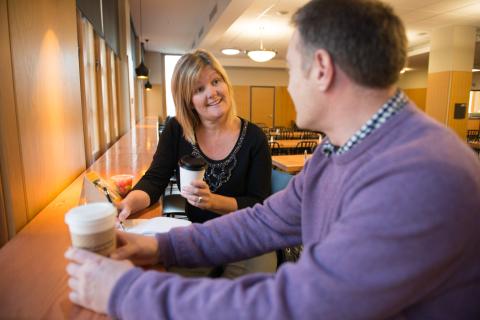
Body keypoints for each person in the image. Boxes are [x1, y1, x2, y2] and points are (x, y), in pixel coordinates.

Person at [66, 0, 480, 318]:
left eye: (289, 67)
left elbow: (300, 307)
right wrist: (157, 247)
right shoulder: (337, 150)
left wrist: (124, 292)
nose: (288, 82)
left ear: (321, 69)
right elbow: (263, 220)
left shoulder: (423, 176)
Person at [116, 49, 274, 277]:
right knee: (169, 287)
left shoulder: (254, 138)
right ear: (188, 102)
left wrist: (213, 202)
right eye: (199, 89)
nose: (212, 92)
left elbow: (259, 204)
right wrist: (128, 204)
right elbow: (154, 180)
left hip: (247, 236)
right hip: (201, 235)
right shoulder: (176, 129)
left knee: (240, 304)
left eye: (216, 81)